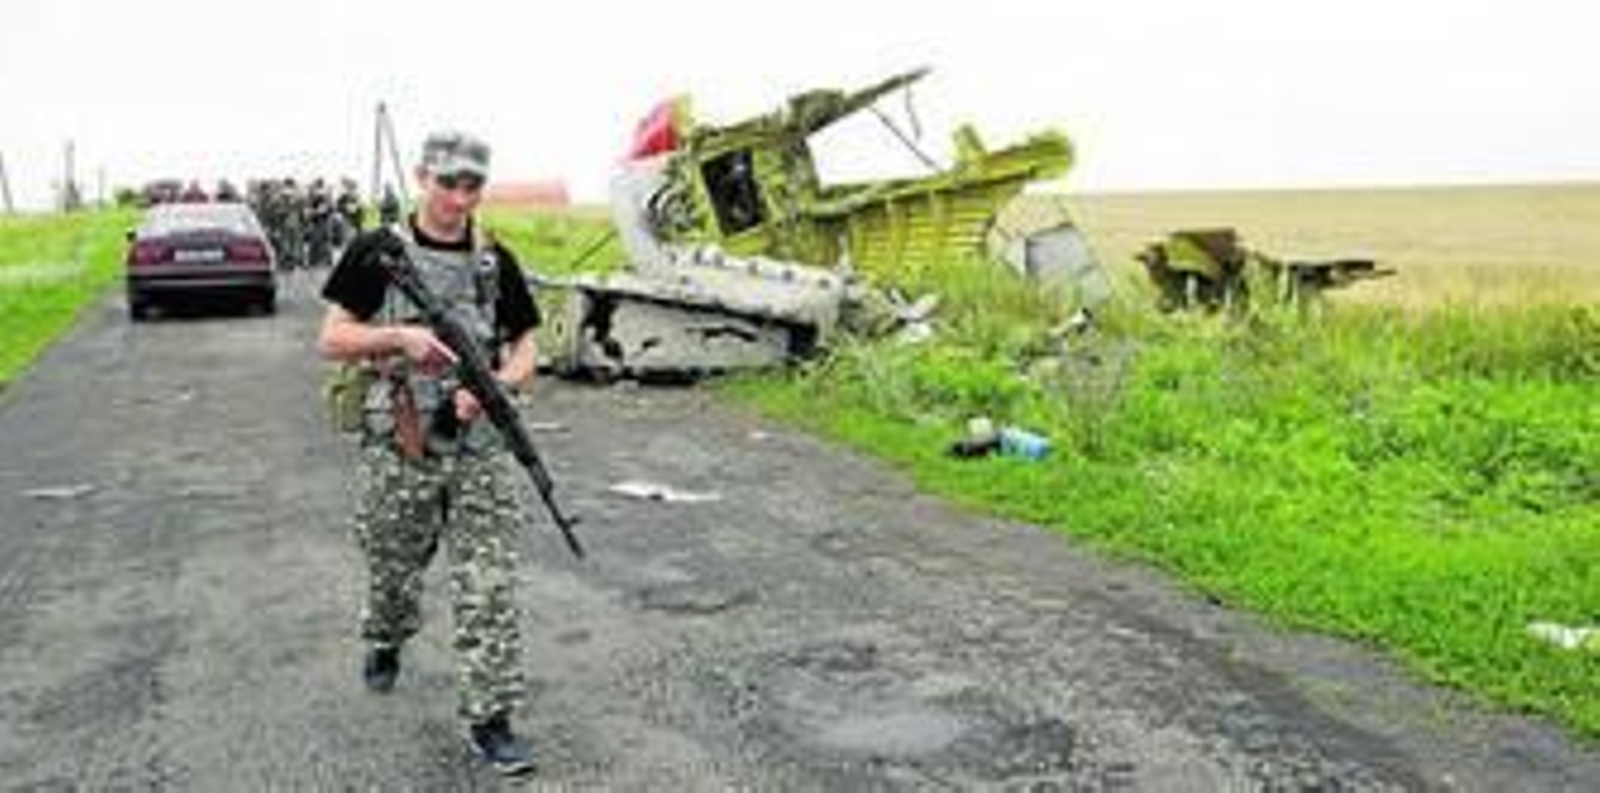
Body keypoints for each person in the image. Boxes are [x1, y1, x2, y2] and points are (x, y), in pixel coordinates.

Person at [316, 130, 542, 776]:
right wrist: (400, 337)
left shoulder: (496, 260)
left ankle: (490, 717)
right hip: (402, 442)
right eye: (449, 182)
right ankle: (385, 637)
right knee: (392, 568)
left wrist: (499, 384)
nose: (460, 196)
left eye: (473, 185)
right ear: (422, 177)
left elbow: (527, 343)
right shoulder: (377, 252)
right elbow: (331, 338)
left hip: (479, 446)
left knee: (489, 581)